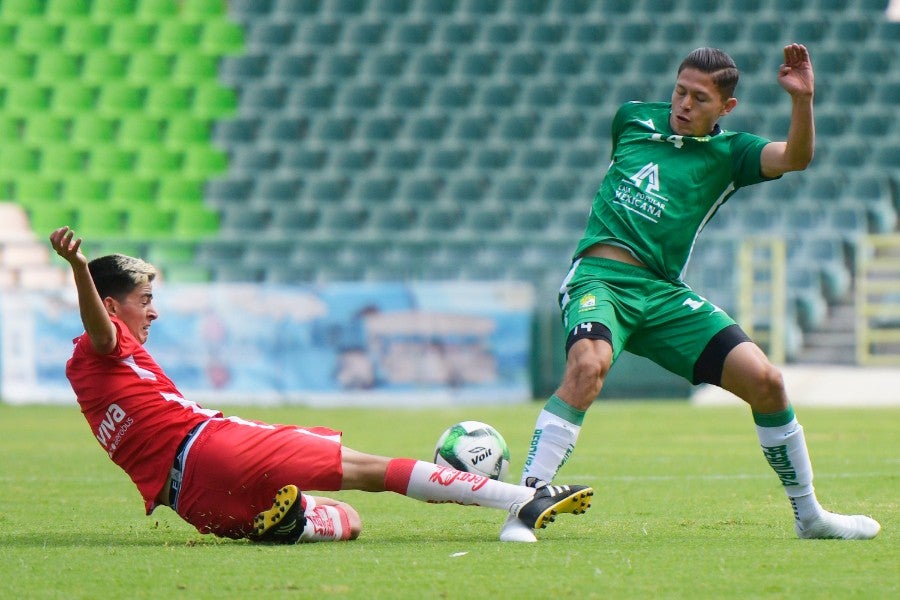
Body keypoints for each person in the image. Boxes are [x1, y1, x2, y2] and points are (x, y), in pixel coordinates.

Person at [500, 44, 881, 543]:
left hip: (662, 294)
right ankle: (523, 506)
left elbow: (796, 157)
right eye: (679, 91)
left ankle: (810, 517)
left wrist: (802, 101)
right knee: (589, 365)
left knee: (766, 382)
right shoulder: (632, 120)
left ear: (727, 108)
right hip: (599, 278)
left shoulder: (730, 154)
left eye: (699, 98)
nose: (683, 103)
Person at [49, 226, 593, 544]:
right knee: (369, 470)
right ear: (113, 305)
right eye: (145, 301)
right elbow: (100, 327)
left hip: (192, 503)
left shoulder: (86, 373)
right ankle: (524, 499)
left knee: (348, 522)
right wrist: (78, 267)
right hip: (212, 448)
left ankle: (294, 527)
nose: (155, 313)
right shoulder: (107, 340)